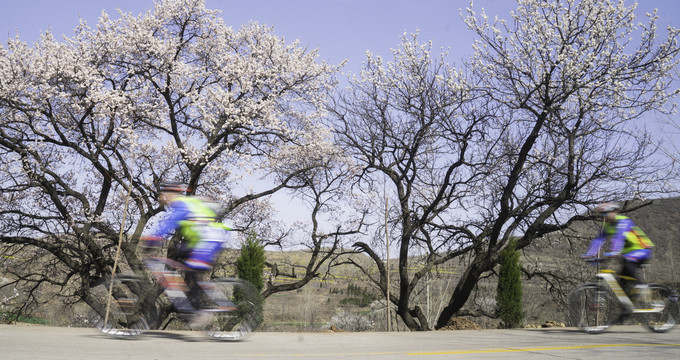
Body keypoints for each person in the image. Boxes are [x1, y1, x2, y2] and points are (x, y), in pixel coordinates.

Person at [141, 181, 231, 325]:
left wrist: (153, 239)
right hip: (200, 240)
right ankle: (189, 304)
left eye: (163, 195)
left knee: (194, 269)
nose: (162, 199)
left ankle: (198, 311)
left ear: (171, 194)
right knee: (182, 260)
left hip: (210, 239)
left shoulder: (182, 204)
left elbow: (169, 224)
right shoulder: (184, 204)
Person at [583, 202, 654, 296]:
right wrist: (590, 254)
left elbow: (619, 236)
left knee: (627, 263)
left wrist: (614, 251)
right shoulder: (607, 226)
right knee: (622, 282)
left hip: (642, 249)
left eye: (605, 213)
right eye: (602, 214)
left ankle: (641, 287)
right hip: (628, 253)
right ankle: (628, 307)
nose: (604, 216)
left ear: (614, 212)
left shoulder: (624, 221)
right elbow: (598, 240)